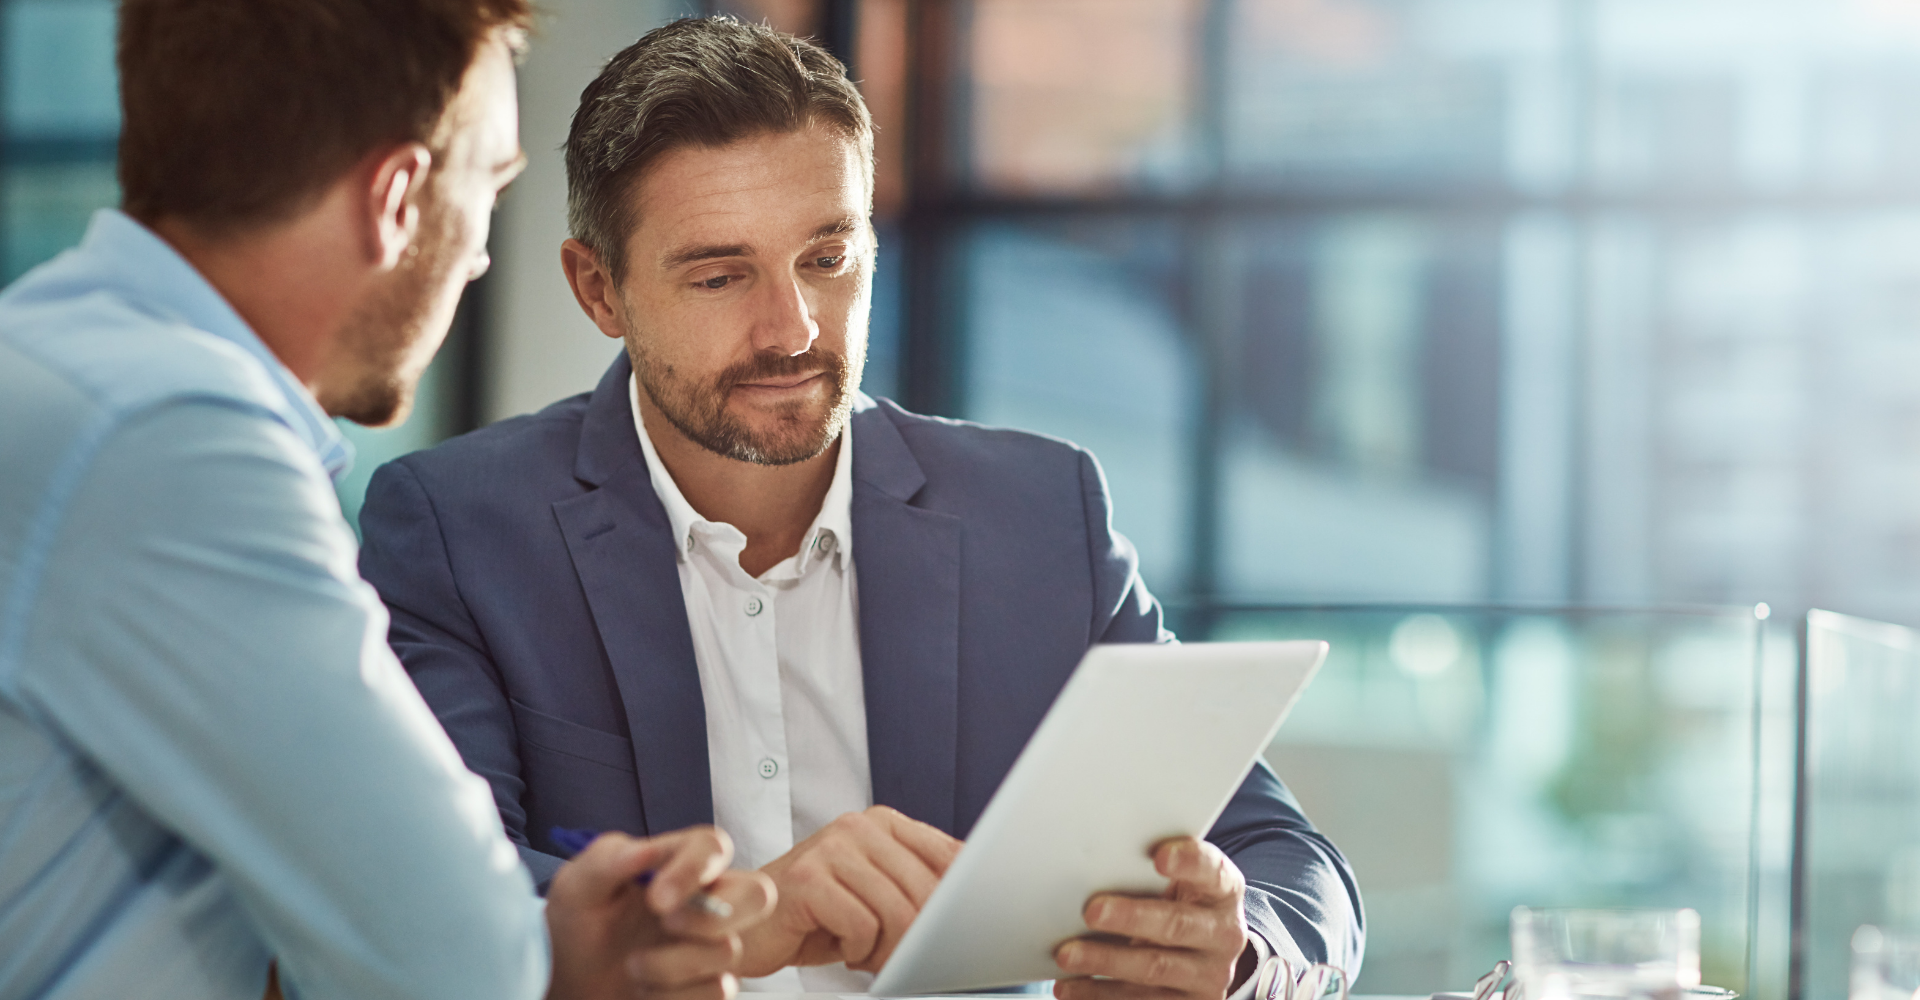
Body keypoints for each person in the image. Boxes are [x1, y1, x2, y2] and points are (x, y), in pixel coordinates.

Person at [357, 15, 1364, 999]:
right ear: (600, 292)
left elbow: (1291, 867)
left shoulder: (1040, 515)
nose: (791, 328)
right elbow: (431, 901)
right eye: (720, 274)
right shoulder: (457, 529)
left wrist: (1233, 951)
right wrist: (743, 913)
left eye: (827, 259)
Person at [0, 3, 774, 999]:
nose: (483, 254)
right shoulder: (174, 433)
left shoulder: (50, 357)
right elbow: (455, 959)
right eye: (489, 187)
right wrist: (551, 952)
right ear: (398, 197)